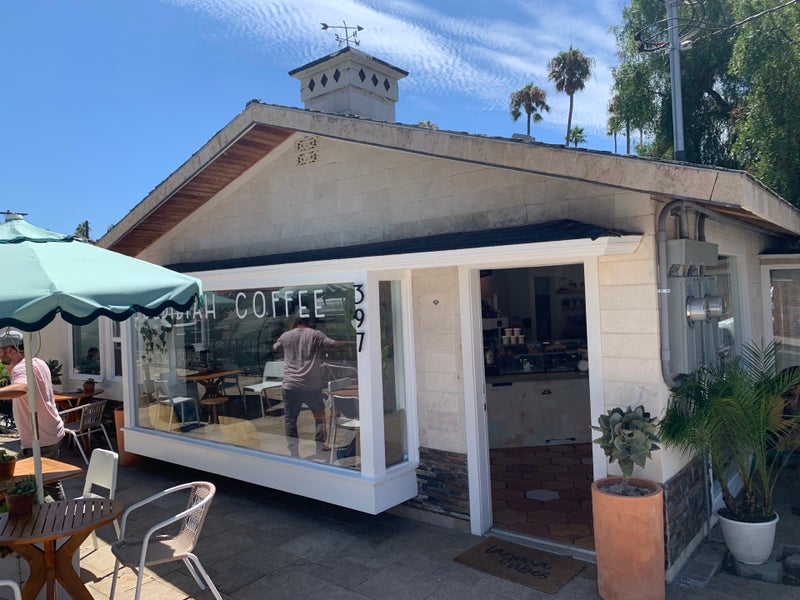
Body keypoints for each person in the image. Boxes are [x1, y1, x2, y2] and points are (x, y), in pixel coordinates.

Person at [0, 329, 66, 500]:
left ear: (10, 350)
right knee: (48, 481)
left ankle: (61, 513)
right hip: (50, 432)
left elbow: (22, 388)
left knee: (23, 481)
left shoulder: (22, 368)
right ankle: (60, 511)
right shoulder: (37, 362)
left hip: (41, 438)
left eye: (0, 350)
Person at [273, 316, 349, 457]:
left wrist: (288, 348)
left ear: (294, 323)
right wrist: (355, 343)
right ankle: (320, 447)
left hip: (290, 386)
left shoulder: (286, 336)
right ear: (308, 322)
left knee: (290, 420)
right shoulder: (315, 334)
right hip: (311, 386)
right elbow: (333, 344)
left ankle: (294, 453)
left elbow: (275, 348)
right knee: (319, 416)